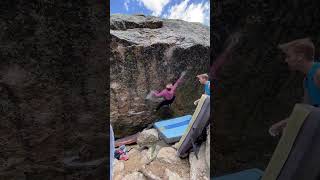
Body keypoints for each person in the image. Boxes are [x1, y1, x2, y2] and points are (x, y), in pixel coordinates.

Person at [269, 38, 320, 136]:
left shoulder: (318, 73)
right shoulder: (307, 81)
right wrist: (282, 124)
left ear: (300, 56)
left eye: (288, 56)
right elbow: (305, 111)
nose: (286, 60)